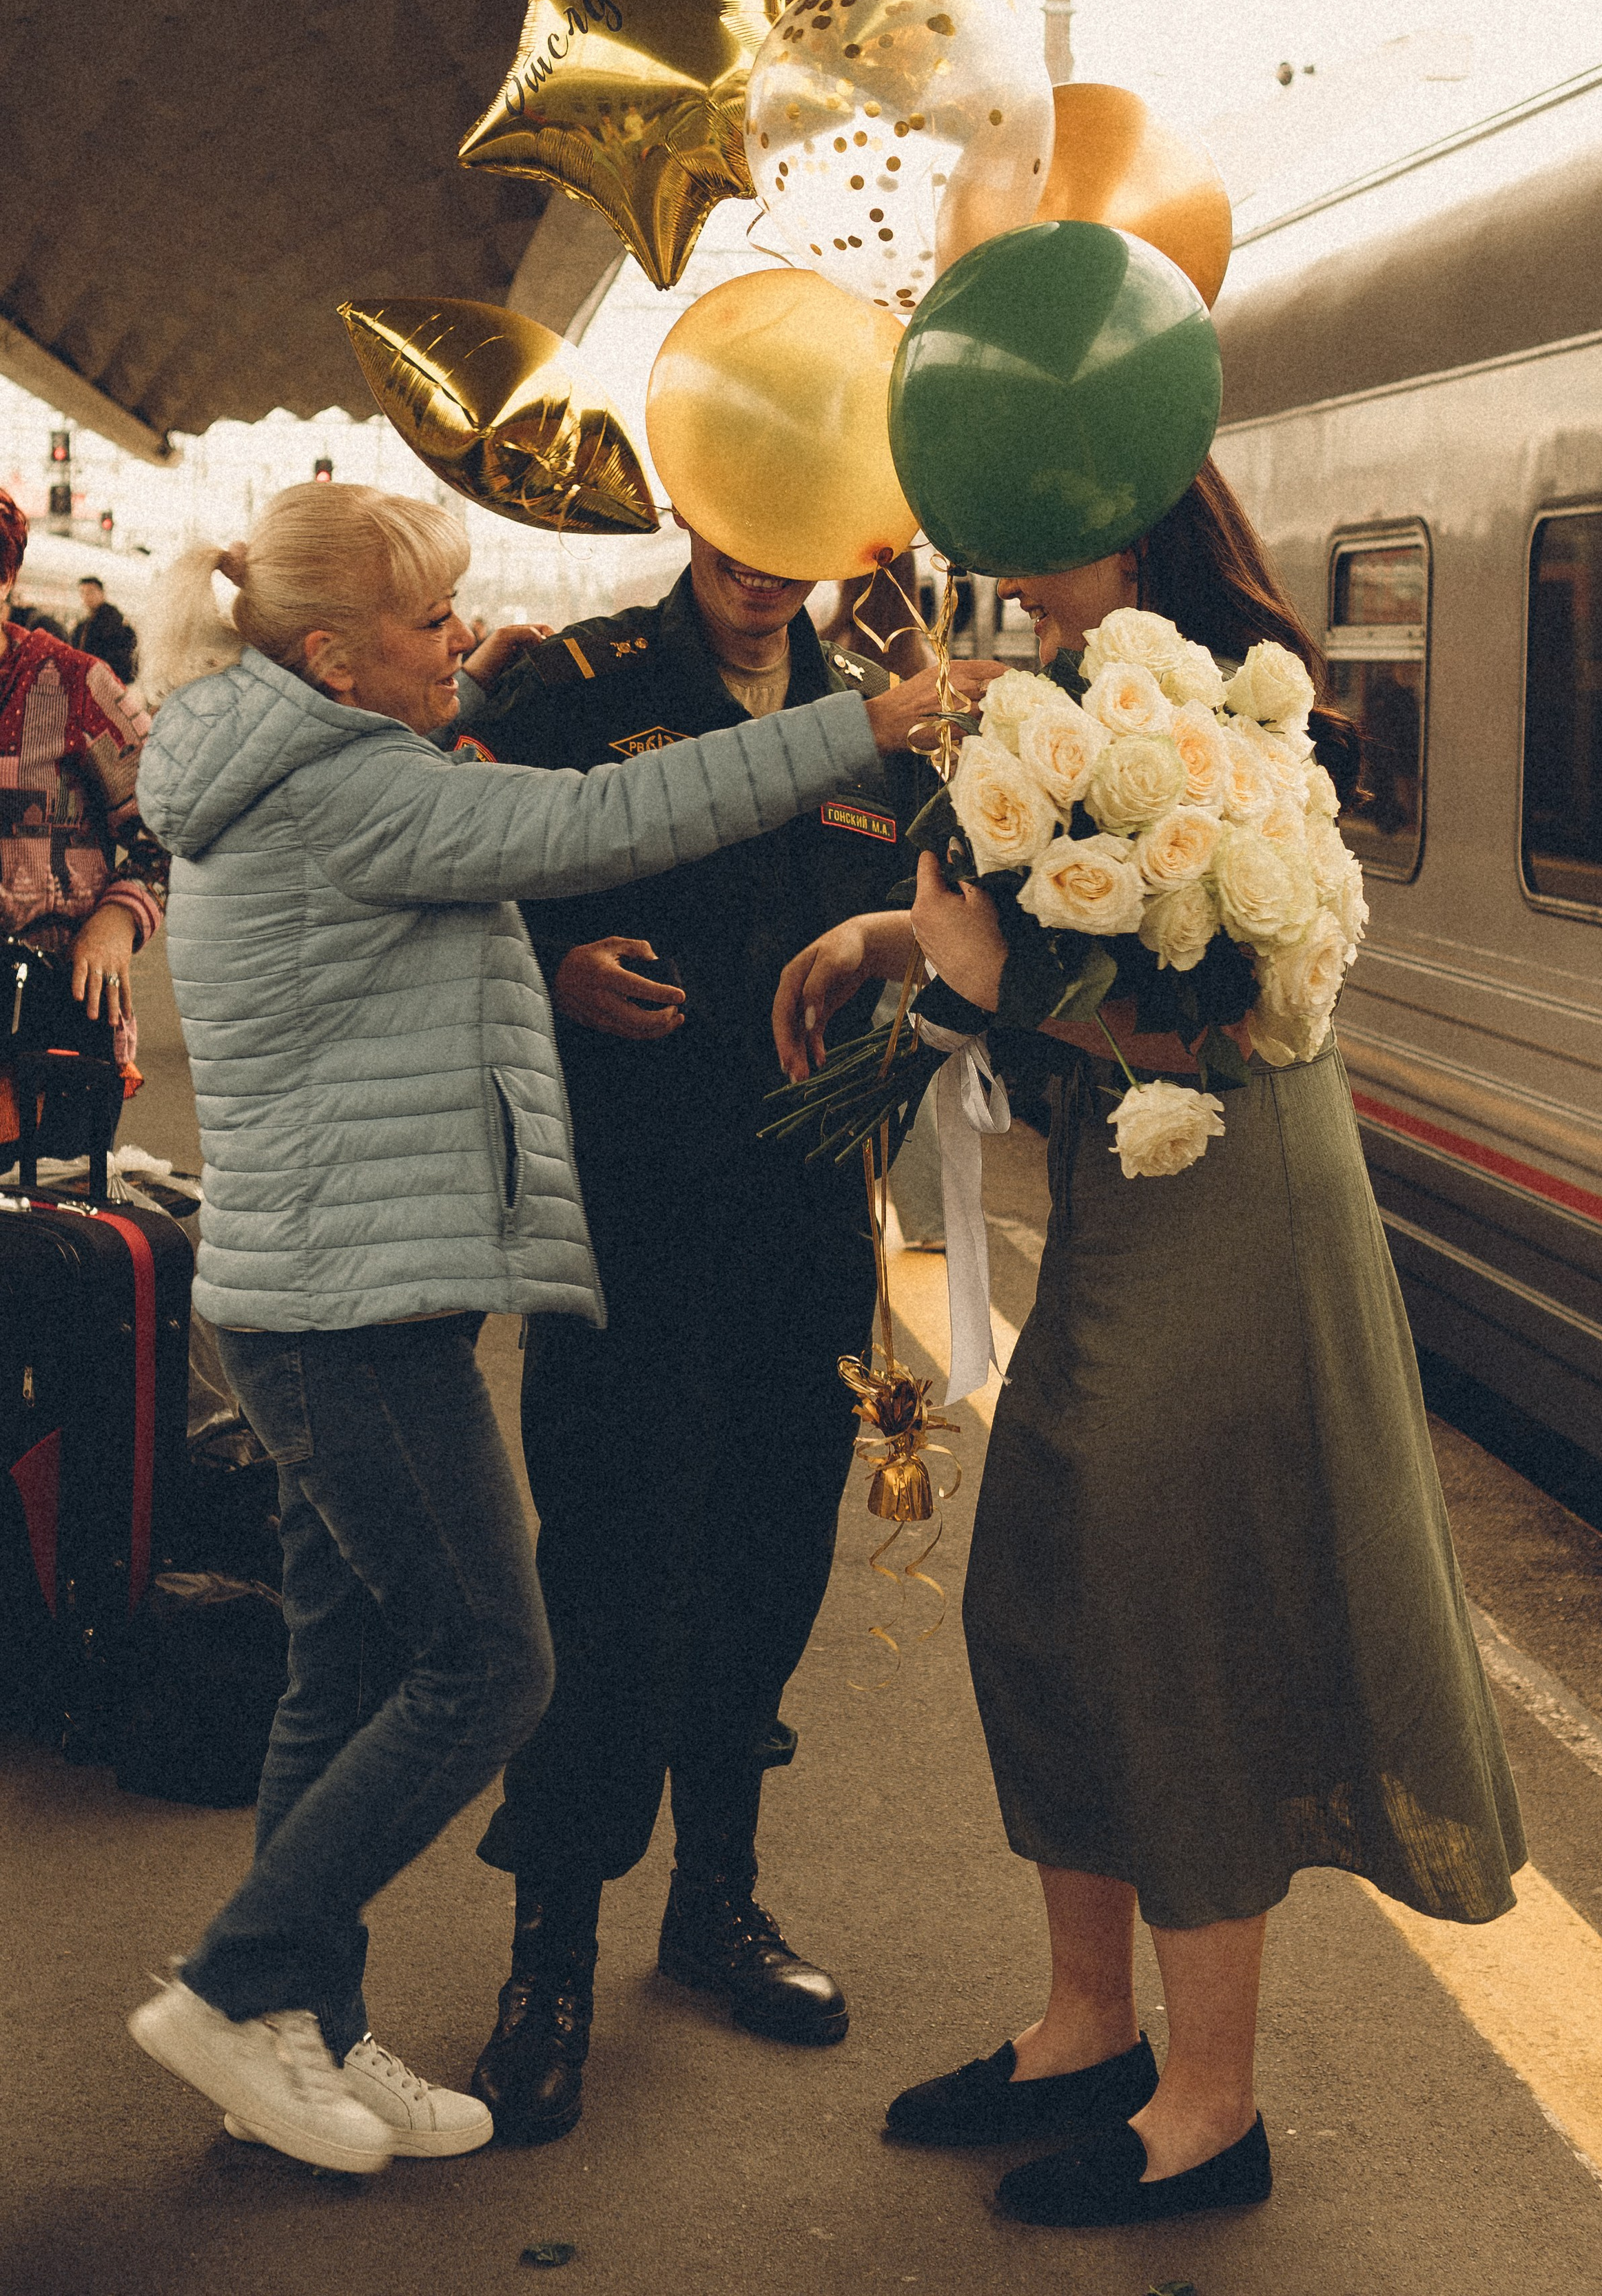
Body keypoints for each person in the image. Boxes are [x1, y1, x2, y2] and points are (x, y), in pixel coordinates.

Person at [123, 482, 969, 2180]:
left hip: (667, 1231)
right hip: (451, 1268)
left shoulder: (321, 749)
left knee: (371, 1654)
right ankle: (278, 1982)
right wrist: (846, 727)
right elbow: (593, 830)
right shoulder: (393, 763)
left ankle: (306, 2024)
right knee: (516, 1646)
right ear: (334, 654)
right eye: (433, 625)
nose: (470, 639)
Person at [772, 461, 1525, 2230]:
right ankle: (1084, 2026)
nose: (1001, 589)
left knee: (1167, 1616)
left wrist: (967, 986)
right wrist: (901, 930)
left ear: (1123, 519)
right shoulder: (1064, 690)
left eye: (1031, 553)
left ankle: (1207, 2104)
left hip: (1222, 1203)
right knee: (1038, 1588)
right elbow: (1044, 941)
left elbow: (1204, 1029)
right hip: (1119, 1214)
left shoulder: (1216, 709)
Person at [458, 530, 1000, 2144]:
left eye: (796, 533)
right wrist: (546, 966)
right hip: (623, 1205)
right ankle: (548, 1947)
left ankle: (713, 1903)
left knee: (765, 1547)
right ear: (695, 504)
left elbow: (937, 929)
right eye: (737, 525)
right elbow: (438, 879)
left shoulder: (882, 722)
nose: (761, 565)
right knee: (614, 1560)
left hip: (799, 1212)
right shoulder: (575, 686)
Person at [0, 493, 167, 1146]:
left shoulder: (78, 687)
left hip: (49, 1023)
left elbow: (172, 833)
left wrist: (117, 918)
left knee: (41, 1229)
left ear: (5, 577)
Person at [70, 575, 138, 685]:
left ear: (102, 594)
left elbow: (124, 656)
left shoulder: (114, 621)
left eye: (91, 592)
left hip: (110, 683)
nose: (87, 596)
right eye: (83, 593)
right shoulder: (84, 625)